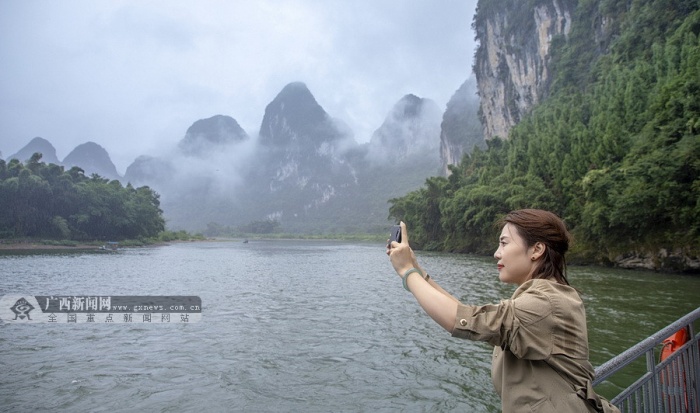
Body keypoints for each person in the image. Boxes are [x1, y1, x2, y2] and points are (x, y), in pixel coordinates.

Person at [387, 209, 620, 413]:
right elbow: (468, 314)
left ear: (536, 249)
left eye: (504, 243)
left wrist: (407, 271)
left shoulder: (544, 304)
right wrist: (418, 271)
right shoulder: (541, 296)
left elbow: (462, 320)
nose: (497, 253)